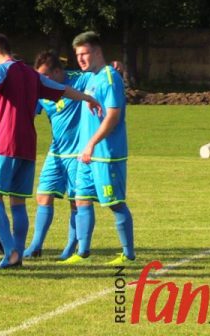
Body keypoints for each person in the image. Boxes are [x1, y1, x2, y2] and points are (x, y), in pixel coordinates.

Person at [0, 33, 100, 269]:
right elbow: (61, 89)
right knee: (18, 203)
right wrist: (87, 98)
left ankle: (10, 250)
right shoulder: (32, 74)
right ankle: (18, 255)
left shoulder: (2, 69)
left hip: (5, 143)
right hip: (27, 147)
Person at [61, 31, 135, 265]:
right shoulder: (90, 78)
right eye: (78, 55)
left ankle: (128, 253)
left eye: (85, 53)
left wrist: (92, 143)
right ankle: (83, 252)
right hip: (87, 154)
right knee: (81, 200)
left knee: (114, 203)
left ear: (97, 52)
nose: (81, 59)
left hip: (106, 154)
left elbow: (113, 116)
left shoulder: (109, 77)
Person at [22, 51, 92, 260]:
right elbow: (27, 114)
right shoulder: (40, 90)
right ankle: (36, 246)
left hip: (78, 153)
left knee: (75, 201)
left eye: (46, 76)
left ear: (58, 71)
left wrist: (115, 67)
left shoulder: (80, 80)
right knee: (43, 195)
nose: (43, 81)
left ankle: (70, 247)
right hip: (56, 152)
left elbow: (100, 73)